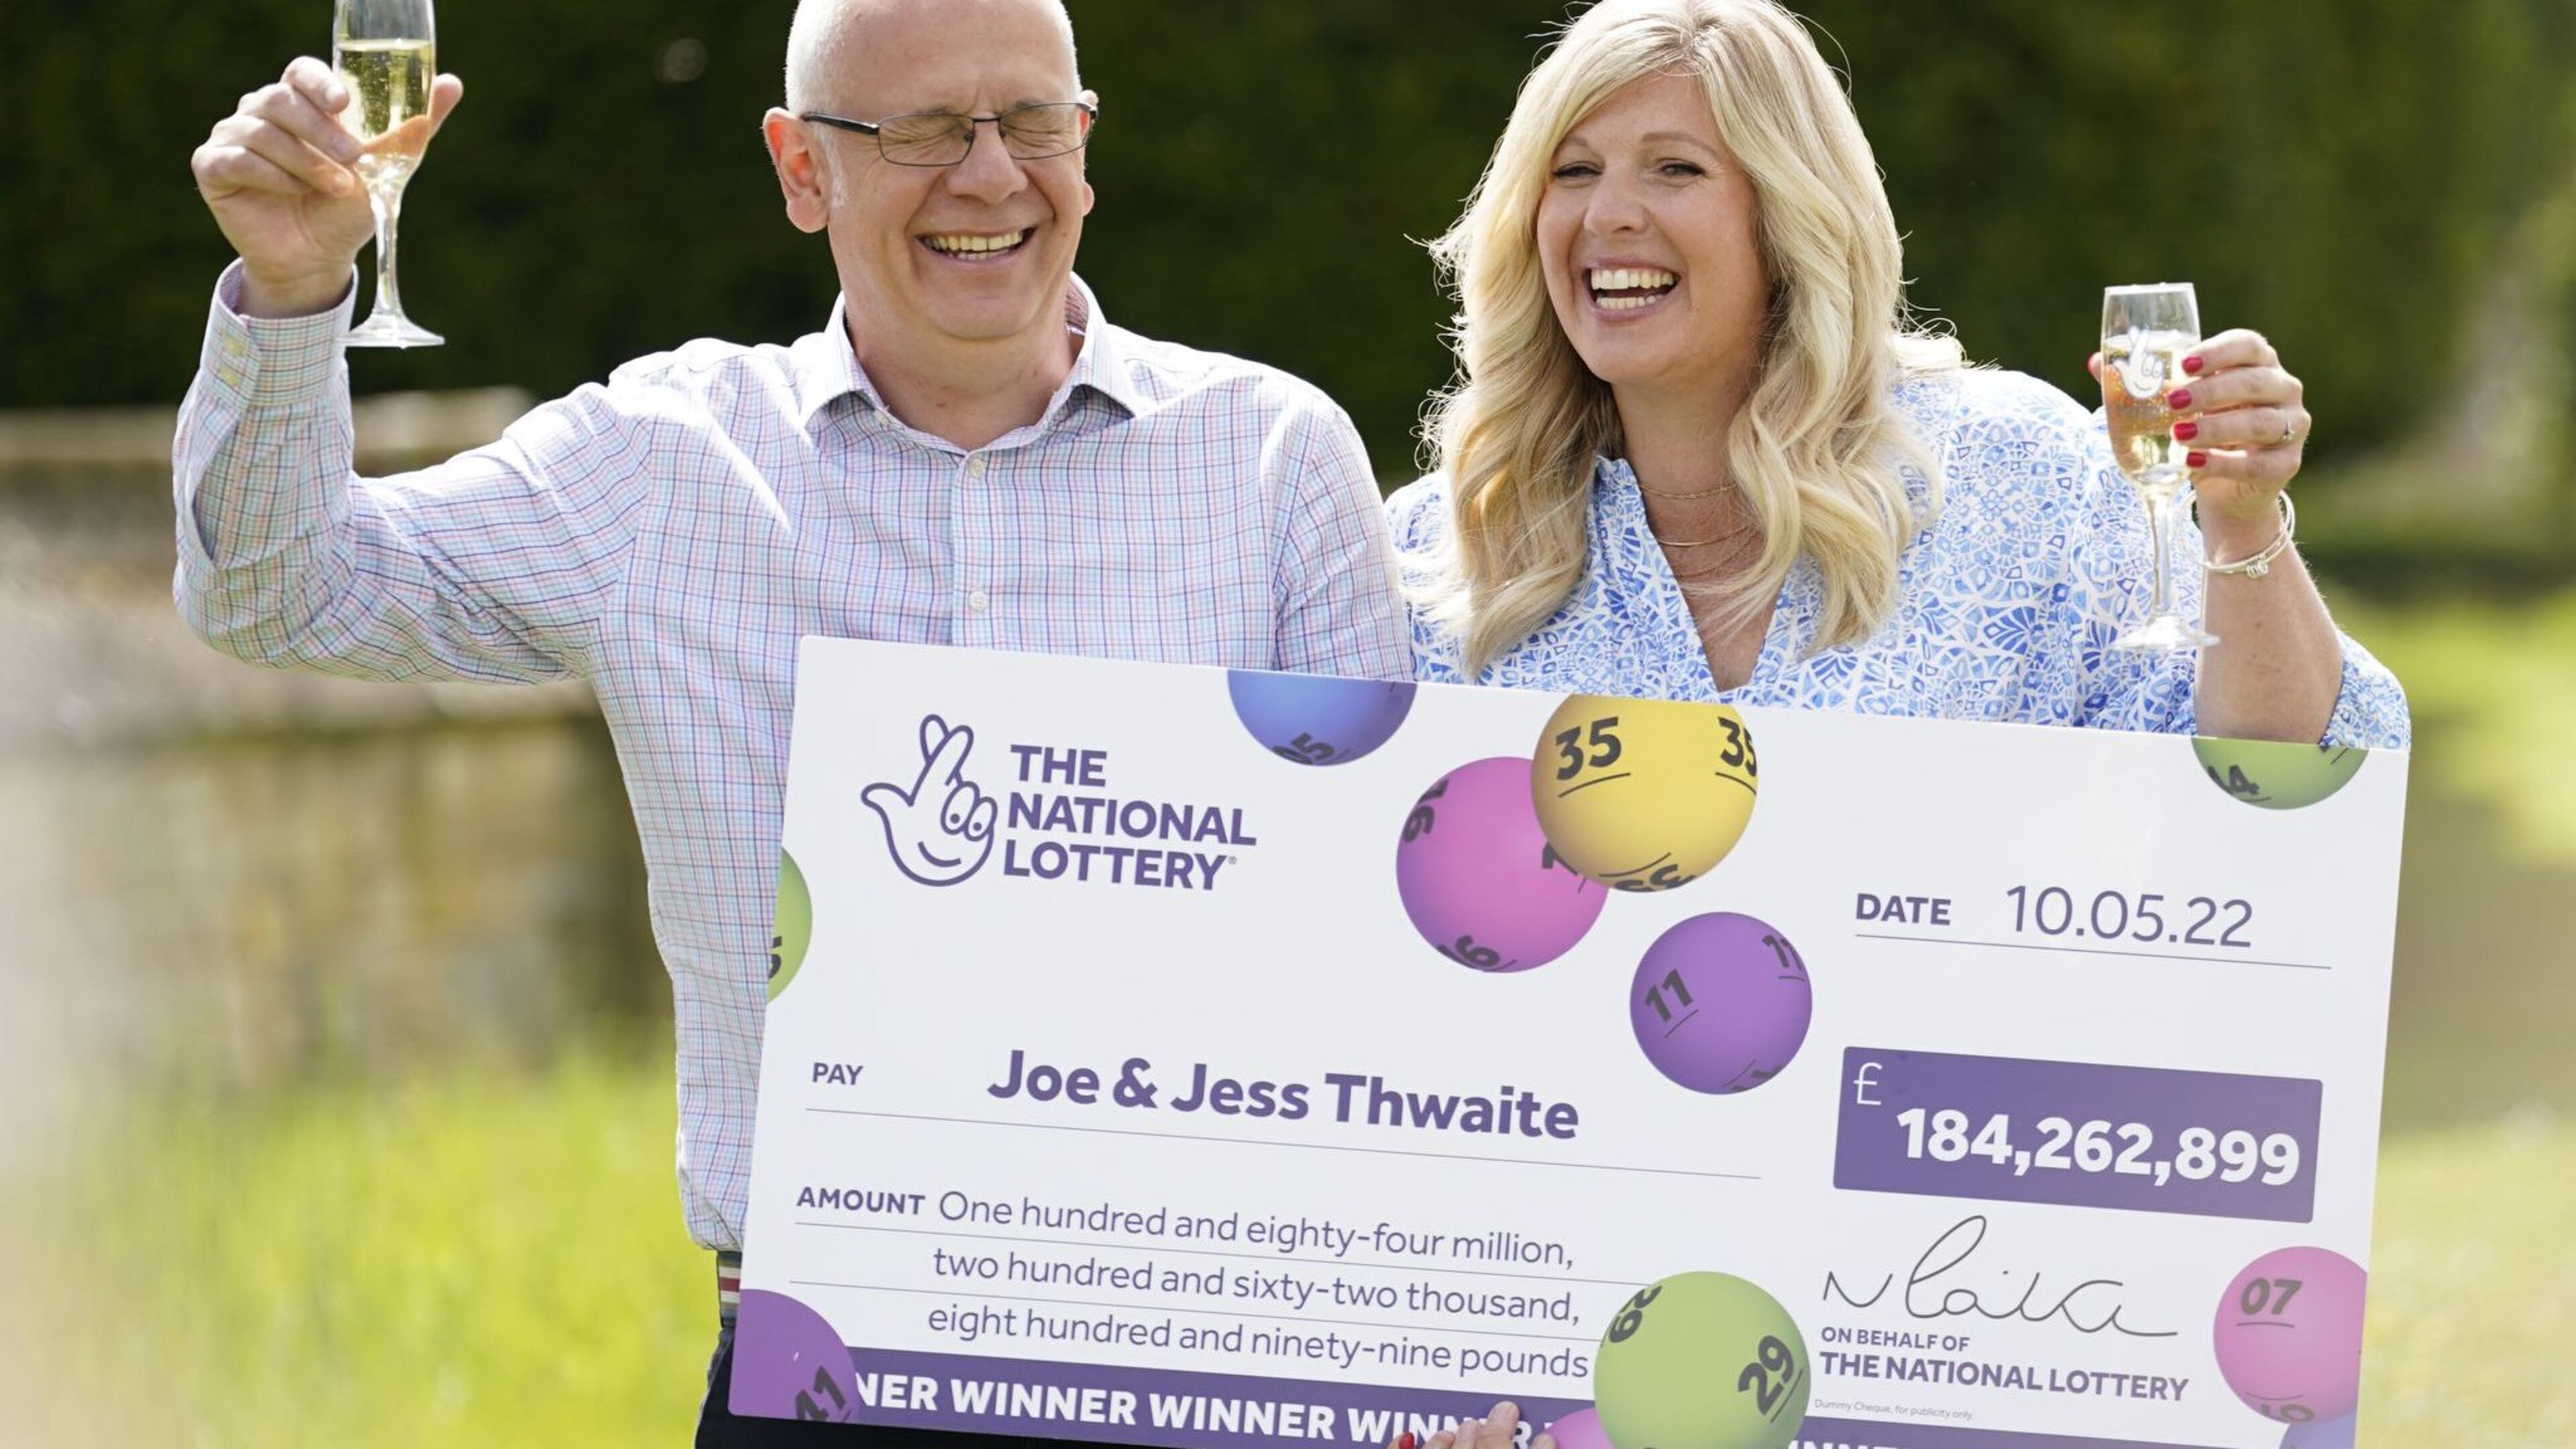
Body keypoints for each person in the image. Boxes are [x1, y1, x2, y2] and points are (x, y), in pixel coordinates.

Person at [178, 0, 1407, 1440]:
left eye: (1031, 122)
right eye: (922, 132)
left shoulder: (1273, 461)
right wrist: (293, 294)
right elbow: (281, 594)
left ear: (1086, 144)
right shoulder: (661, 466)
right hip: (826, 1379)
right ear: (802, 170)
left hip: (1206, 1357)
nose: (991, 176)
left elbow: (1374, 952)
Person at [1389, 0, 2408, 754]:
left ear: (1789, 217)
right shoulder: (1438, 553)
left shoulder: (2022, 473)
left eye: (1676, 168)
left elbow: (2294, 780)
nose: (1608, 214)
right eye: (1573, 171)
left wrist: (2240, 523)